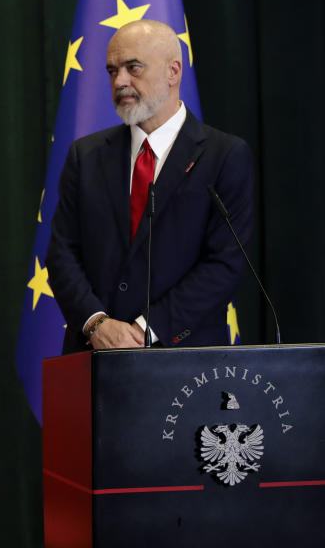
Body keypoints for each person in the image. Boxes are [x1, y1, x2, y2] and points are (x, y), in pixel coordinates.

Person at [46, 20, 253, 353]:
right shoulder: (85, 156)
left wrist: (145, 329)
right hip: (93, 357)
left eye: (133, 68)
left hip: (182, 361)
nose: (120, 81)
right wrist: (97, 323)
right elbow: (61, 253)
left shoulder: (224, 156)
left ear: (173, 71)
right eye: (112, 71)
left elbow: (225, 263)